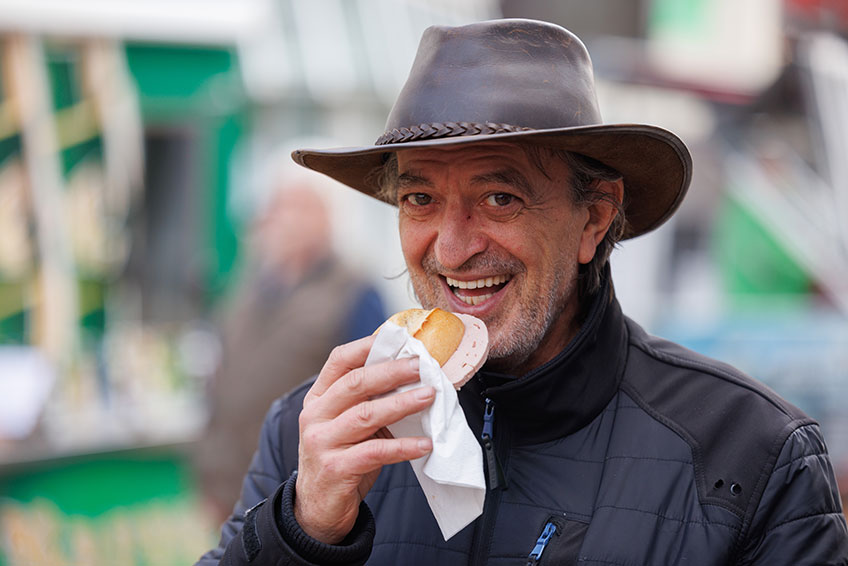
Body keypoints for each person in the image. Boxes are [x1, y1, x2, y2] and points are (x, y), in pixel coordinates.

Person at [196, 19, 848, 565]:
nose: (450, 249)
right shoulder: (314, 434)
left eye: (499, 197)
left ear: (593, 218)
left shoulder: (753, 456)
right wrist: (300, 529)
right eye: (419, 198)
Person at [194, 172, 386, 521]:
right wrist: (209, 475)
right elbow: (219, 382)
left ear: (329, 217)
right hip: (231, 489)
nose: (286, 218)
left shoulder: (354, 292)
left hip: (299, 498)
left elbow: (376, 397)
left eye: (301, 207)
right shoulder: (248, 286)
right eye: (279, 207)